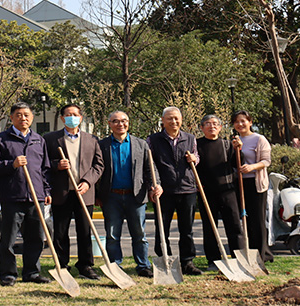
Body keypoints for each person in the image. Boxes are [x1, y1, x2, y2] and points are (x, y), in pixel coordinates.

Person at [0, 102, 52, 286]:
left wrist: (47, 190)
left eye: (26, 115)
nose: (23, 118)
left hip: (36, 197)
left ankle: (32, 272)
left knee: (36, 237)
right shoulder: (1, 140)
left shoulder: (38, 140)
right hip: (13, 197)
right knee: (8, 239)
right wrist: (12, 164)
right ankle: (8, 274)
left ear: (31, 117)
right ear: (11, 118)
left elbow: (45, 169)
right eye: (18, 115)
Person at [97, 111, 162, 278]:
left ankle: (142, 265)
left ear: (129, 123)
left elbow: (150, 169)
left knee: (140, 234)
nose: (120, 124)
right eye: (116, 121)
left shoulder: (141, 144)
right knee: (112, 235)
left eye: (124, 121)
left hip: (136, 196)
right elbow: (97, 170)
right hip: (111, 197)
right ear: (110, 124)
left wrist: (156, 185)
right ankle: (115, 266)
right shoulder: (102, 145)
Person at [45, 104, 104, 280]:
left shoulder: (91, 139)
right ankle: (62, 265)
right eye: (68, 115)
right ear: (62, 118)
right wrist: (57, 165)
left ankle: (85, 265)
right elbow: (43, 164)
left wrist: (87, 182)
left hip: (84, 192)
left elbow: (99, 165)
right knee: (61, 232)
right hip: (61, 193)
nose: (72, 117)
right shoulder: (50, 139)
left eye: (75, 114)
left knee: (84, 231)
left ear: (81, 117)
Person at [147, 106, 202, 275]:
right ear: (163, 121)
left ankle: (187, 262)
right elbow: (150, 165)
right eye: (169, 118)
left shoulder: (190, 138)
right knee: (162, 228)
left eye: (176, 118)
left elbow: (196, 156)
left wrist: (195, 159)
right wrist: (154, 185)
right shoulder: (153, 140)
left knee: (187, 229)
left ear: (181, 120)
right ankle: (165, 259)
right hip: (164, 190)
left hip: (187, 189)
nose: (173, 121)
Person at [195, 114, 245, 271]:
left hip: (228, 191)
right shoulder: (196, 145)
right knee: (210, 228)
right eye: (208, 124)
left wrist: (239, 149)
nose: (212, 126)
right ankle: (214, 260)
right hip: (206, 192)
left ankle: (239, 258)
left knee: (235, 226)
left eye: (215, 123)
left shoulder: (227, 144)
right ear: (202, 127)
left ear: (220, 127)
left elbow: (239, 164)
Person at [231, 110, 273, 263]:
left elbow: (266, 161)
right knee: (244, 220)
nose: (240, 124)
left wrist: (252, 167)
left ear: (250, 122)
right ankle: (249, 251)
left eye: (243, 121)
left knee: (257, 220)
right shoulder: (234, 140)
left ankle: (262, 254)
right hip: (240, 184)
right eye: (237, 121)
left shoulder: (259, 139)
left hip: (256, 184)